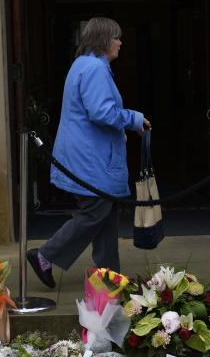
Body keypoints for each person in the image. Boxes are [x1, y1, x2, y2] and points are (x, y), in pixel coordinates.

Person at [27, 17, 150, 288]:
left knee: (104, 212)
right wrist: (133, 119)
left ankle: (109, 276)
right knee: (96, 212)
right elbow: (102, 112)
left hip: (86, 156)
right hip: (90, 159)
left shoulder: (83, 64)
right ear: (105, 40)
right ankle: (45, 256)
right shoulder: (95, 68)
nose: (120, 42)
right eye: (117, 37)